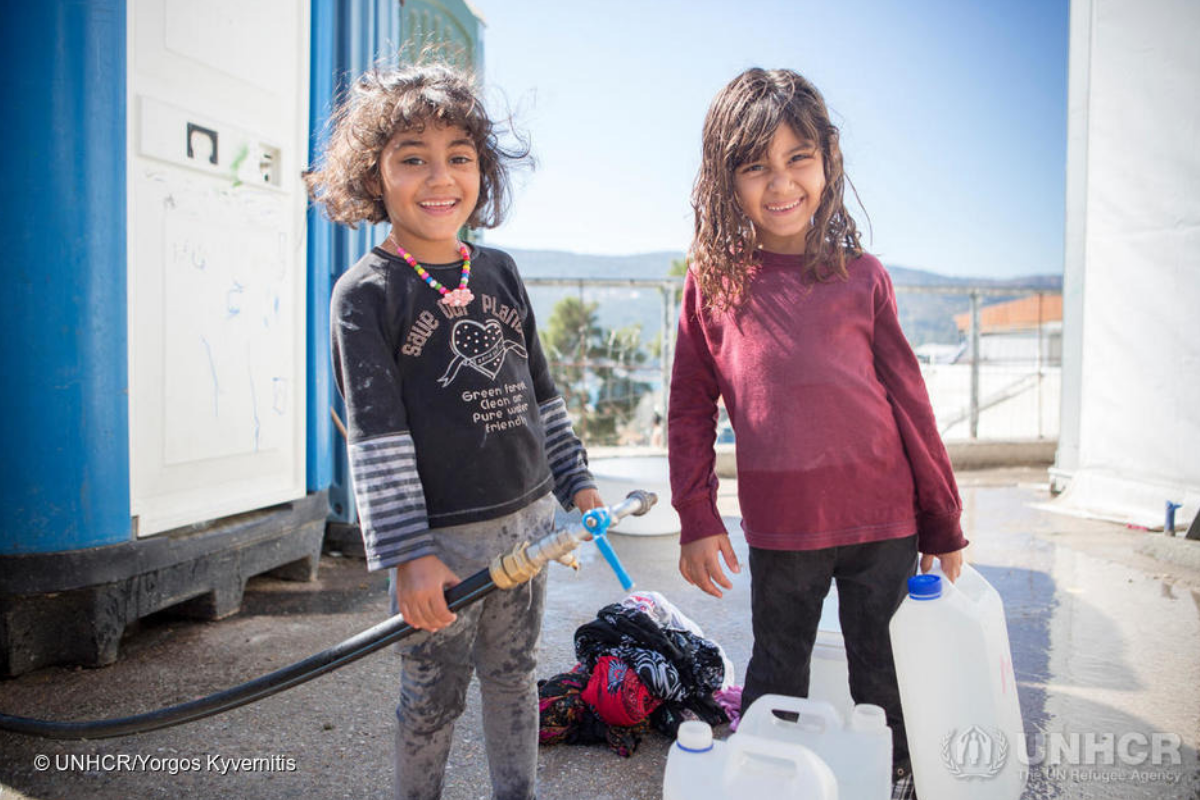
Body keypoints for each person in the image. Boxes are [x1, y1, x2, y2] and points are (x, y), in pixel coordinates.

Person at [305, 63, 603, 800]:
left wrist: (580, 482)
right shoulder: (365, 295)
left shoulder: (500, 271)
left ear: (483, 171)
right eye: (413, 157)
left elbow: (543, 396)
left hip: (530, 528)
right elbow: (377, 440)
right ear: (374, 173)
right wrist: (410, 557)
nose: (440, 177)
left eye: (459, 157)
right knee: (432, 695)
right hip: (444, 549)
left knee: (515, 676)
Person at [668, 67, 967, 793]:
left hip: (883, 522)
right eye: (755, 166)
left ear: (828, 159)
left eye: (798, 158)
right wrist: (696, 517)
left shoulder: (864, 276)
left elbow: (911, 405)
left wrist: (943, 521)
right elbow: (688, 407)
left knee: (884, 674)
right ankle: (770, 782)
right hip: (782, 530)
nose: (780, 183)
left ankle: (895, 779)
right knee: (777, 677)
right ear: (724, 178)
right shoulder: (714, 282)